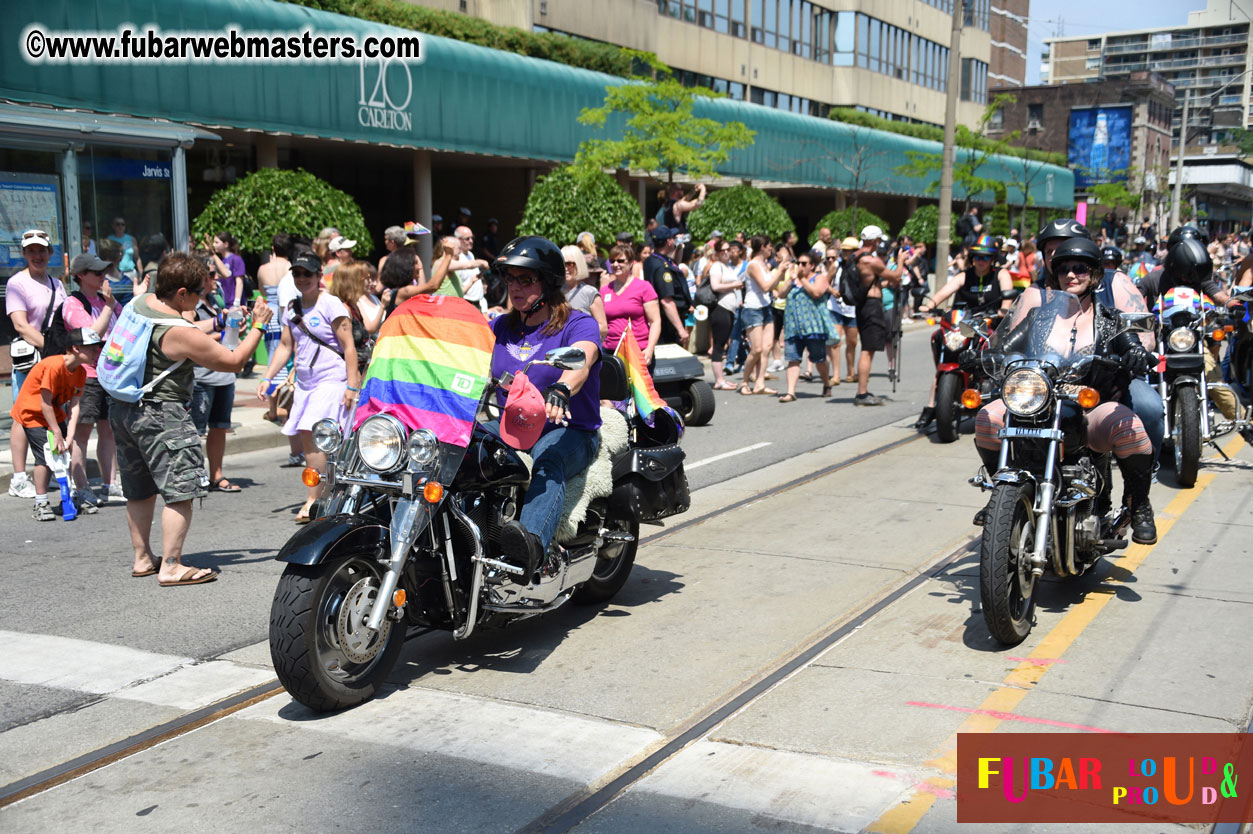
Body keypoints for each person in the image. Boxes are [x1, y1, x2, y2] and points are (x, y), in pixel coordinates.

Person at [972, 238, 1158, 545]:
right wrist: (982, 355)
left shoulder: (1109, 320)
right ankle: (1000, 496)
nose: (1071, 275)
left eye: (1080, 268)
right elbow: (1005, 344)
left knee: (1131, 429)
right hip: (1038, 404)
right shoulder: (1039, 317)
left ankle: (1139, 505)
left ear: (1095, 274)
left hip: (1089, 409)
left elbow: (1131, 341)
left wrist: (1136, 352)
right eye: (1064, 269)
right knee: (987, 419)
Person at [111, 252, 272, 585]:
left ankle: (143, 558)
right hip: (162, 415)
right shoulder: (178, 330)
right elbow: (233, 360)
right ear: (181, 293)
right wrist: (258, 326)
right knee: (180, 489)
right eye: (200, 292)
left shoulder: (140, 304)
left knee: (139, 488)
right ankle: (171, 566)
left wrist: (216, 323)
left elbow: (191, 332)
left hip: (125, 408)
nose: (203, 298)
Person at [488, 236, 603, 578]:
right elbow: (462, 356)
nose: (515, 287)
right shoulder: (500, 328)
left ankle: (528, 550)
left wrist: (562, 388)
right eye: (510, 278)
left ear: (550, 282)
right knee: (463, 447)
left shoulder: (576, 323)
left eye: (526, 279)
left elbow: (582, 358)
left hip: (570, 430)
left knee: (548, 460)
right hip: (513, 426)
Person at [257, 248, 359, 523]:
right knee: (310, 440)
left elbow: (348, 347)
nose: (302, 279)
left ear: (318, 276)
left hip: (331, 379)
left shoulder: (331, 304)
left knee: (311, 432)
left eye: (307, 274)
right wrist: (268, 377)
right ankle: (327, 491)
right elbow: (286, 346)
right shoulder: (292, 308)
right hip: (305, 383)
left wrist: (352, 385)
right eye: (297, 274)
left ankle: (315, 499)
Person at [915, 235, 1014, 428]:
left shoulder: (1001, 275)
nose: (981, 261)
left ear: (992, 259)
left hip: (990, 325)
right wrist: (930, 305)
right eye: (977, 257)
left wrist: (1004, 308)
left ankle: (1001, 395)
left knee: (1002, 355)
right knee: (942, 345)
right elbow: (945, 291)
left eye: (985, 257)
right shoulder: (964, 275)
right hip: (964, 326)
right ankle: (931, 406)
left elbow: (1007, 296)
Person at [10, 328, 101, 520]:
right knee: (46, 454)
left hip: (54, 414)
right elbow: (44, 402)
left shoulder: (80, 373)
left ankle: (73, 495)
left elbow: (75, 406)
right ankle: (41, 502)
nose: (96, 352)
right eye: (92, 348)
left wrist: (69, 436)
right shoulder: (53, 366)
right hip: (32, 414)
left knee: (67, 451)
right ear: (76, 348)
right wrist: (57, 432)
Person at [7, 229, 66, 500]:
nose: (37, 255)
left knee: (51, 413)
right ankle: (19, 478)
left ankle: (50, 470)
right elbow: (20, 324)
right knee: (24, 415)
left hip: (54, 359)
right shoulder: (16, 283)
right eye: (31, 251)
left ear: (50, 252)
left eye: (41, 250)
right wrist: (50, 347)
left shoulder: (57, 284)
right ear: (24, 253)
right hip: (33, 358)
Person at [62, 253, 122, 511]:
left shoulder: (106, 300)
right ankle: (81, 487)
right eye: (96, 273)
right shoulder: (72, 303)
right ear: (81, 276)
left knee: (109, 430)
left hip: (110, 374)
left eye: (103, 272)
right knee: (81, 434)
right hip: (86, 375)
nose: (102, 277)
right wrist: (109, 307)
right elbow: (91, 334)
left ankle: (111, 484)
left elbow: (124, 326)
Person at [188, 253, 243, 493]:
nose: (215, 278)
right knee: (195, 431)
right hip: (202, 376)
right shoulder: (191, 307)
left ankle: (216, 475)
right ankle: (193, 476)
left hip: (224, 374)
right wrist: (221, 332)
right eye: (211, 274)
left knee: (219, 427)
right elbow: (191, 337)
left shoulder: (217, 301)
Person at [851, 225, 901, 406]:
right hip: (871, 306)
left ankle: (863, 391)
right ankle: (862, 394)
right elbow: (896, 277)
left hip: (863, 305)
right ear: (873, 241)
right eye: (878, 240)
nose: (879, 244)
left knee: (867, 348)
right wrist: (901, 260)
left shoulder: (854, 256)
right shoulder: (871, 261)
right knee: (868, 350)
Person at [778, 252, 834, 402]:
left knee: (819, 359)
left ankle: (827, 383)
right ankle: (791, 392)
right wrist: (791, 280)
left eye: (804, 263)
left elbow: (816, 293)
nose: (800, 266)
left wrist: (802, 279)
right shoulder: (794, 280)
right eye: (799, 263)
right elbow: (781, 294)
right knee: (793, 359)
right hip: (793, 326)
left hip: (813, 327)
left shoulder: (819, 278)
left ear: (812, 266)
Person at [601, 243, 661, 365]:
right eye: (612, 261)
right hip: (610, 351)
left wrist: (650, 349)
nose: (616, 264)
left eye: (620, 261)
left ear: (631, 263)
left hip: (638, 351)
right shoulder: (605, 290)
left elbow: (655, 321)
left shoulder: (643, 287)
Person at [739, 235, 780, 396]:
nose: (771, 249)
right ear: (762, 246)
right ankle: (744, 381)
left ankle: (760, 383)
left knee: (766, 348)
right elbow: (765, 286)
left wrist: (783, 274)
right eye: (770, 246)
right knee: (756, 349)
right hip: (753, 309)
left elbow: (773, 286)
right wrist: (781, 270)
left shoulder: (764, 264)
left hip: (766, 307)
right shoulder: (754, 265)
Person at [642, 226, 692, 348]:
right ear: (669, 241)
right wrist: (680, 329)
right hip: (669, 323)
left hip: (665, 320)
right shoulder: (662, 268)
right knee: (671, 361)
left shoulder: (653, 260)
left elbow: (674, 263)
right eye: (673, 238)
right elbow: (666, 301)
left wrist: (679, 248)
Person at [705, 241, 743, 391]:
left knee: (722, 345)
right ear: (717, 253)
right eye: (723, 250)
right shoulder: (716, 266)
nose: (726, 252)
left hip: (729, 310)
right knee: (719, 345)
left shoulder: (727, 267)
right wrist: (735, 285)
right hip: (720, 309)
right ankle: (719, 381)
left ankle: (721, 379)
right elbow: (716, 286)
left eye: (728, 250)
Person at [560, 245, 607, 341]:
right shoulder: (556, 292)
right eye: (562, 264)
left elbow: (603, 328)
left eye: (569, 264)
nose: (565, 268)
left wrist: (578, 332)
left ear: (579, 264)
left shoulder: (590, 293)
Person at [106, 217, 142, 304]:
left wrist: (140, 273)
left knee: (133, 299)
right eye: (118, 224)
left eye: (123, 224)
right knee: (118, 300)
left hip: (131, 273)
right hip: (116, 274)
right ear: (113, 226)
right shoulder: (109, 239)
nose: (120, 226)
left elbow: (137, 258)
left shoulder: (131, 239)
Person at [207, 232, 246, 309]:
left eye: (216, 242)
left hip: (233, 303)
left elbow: (239, 282)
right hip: (222, 301)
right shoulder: (219, 260)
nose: (214, 245)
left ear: (226, 244)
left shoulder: (236, 259)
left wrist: (237, 302)